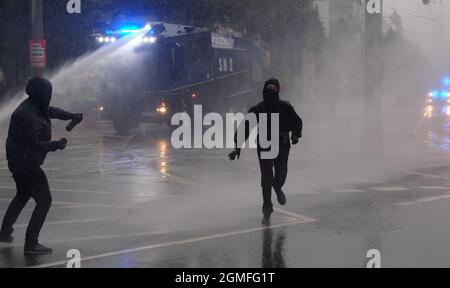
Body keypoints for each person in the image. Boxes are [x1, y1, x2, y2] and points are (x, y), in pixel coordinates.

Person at [0, 77, 83, 255]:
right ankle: (31, 244)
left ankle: (5, 232)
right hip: (25, 163)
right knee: (45, 200)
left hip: (22, 161)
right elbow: (34, 145)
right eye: (47, 93)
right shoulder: (25, 114)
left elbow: (50, 111)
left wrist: (70, 116)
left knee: (22, 195)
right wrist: (57, 145)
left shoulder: (36, 106)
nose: (49, 97)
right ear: (38, 94)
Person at [229, 78, 303, 224]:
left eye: (273, 89)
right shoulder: (258, 109)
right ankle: (267, 209)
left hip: (282, 146)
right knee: (266, 178)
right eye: (268, 89)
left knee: (281, 175)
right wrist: (237, 147)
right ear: (264, 91)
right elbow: (244, 128)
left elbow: (297, 122)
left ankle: (278, 187)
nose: (270, 92)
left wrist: (295, 135)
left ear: (278, 91)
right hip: (264, 146)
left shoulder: (285, 107)